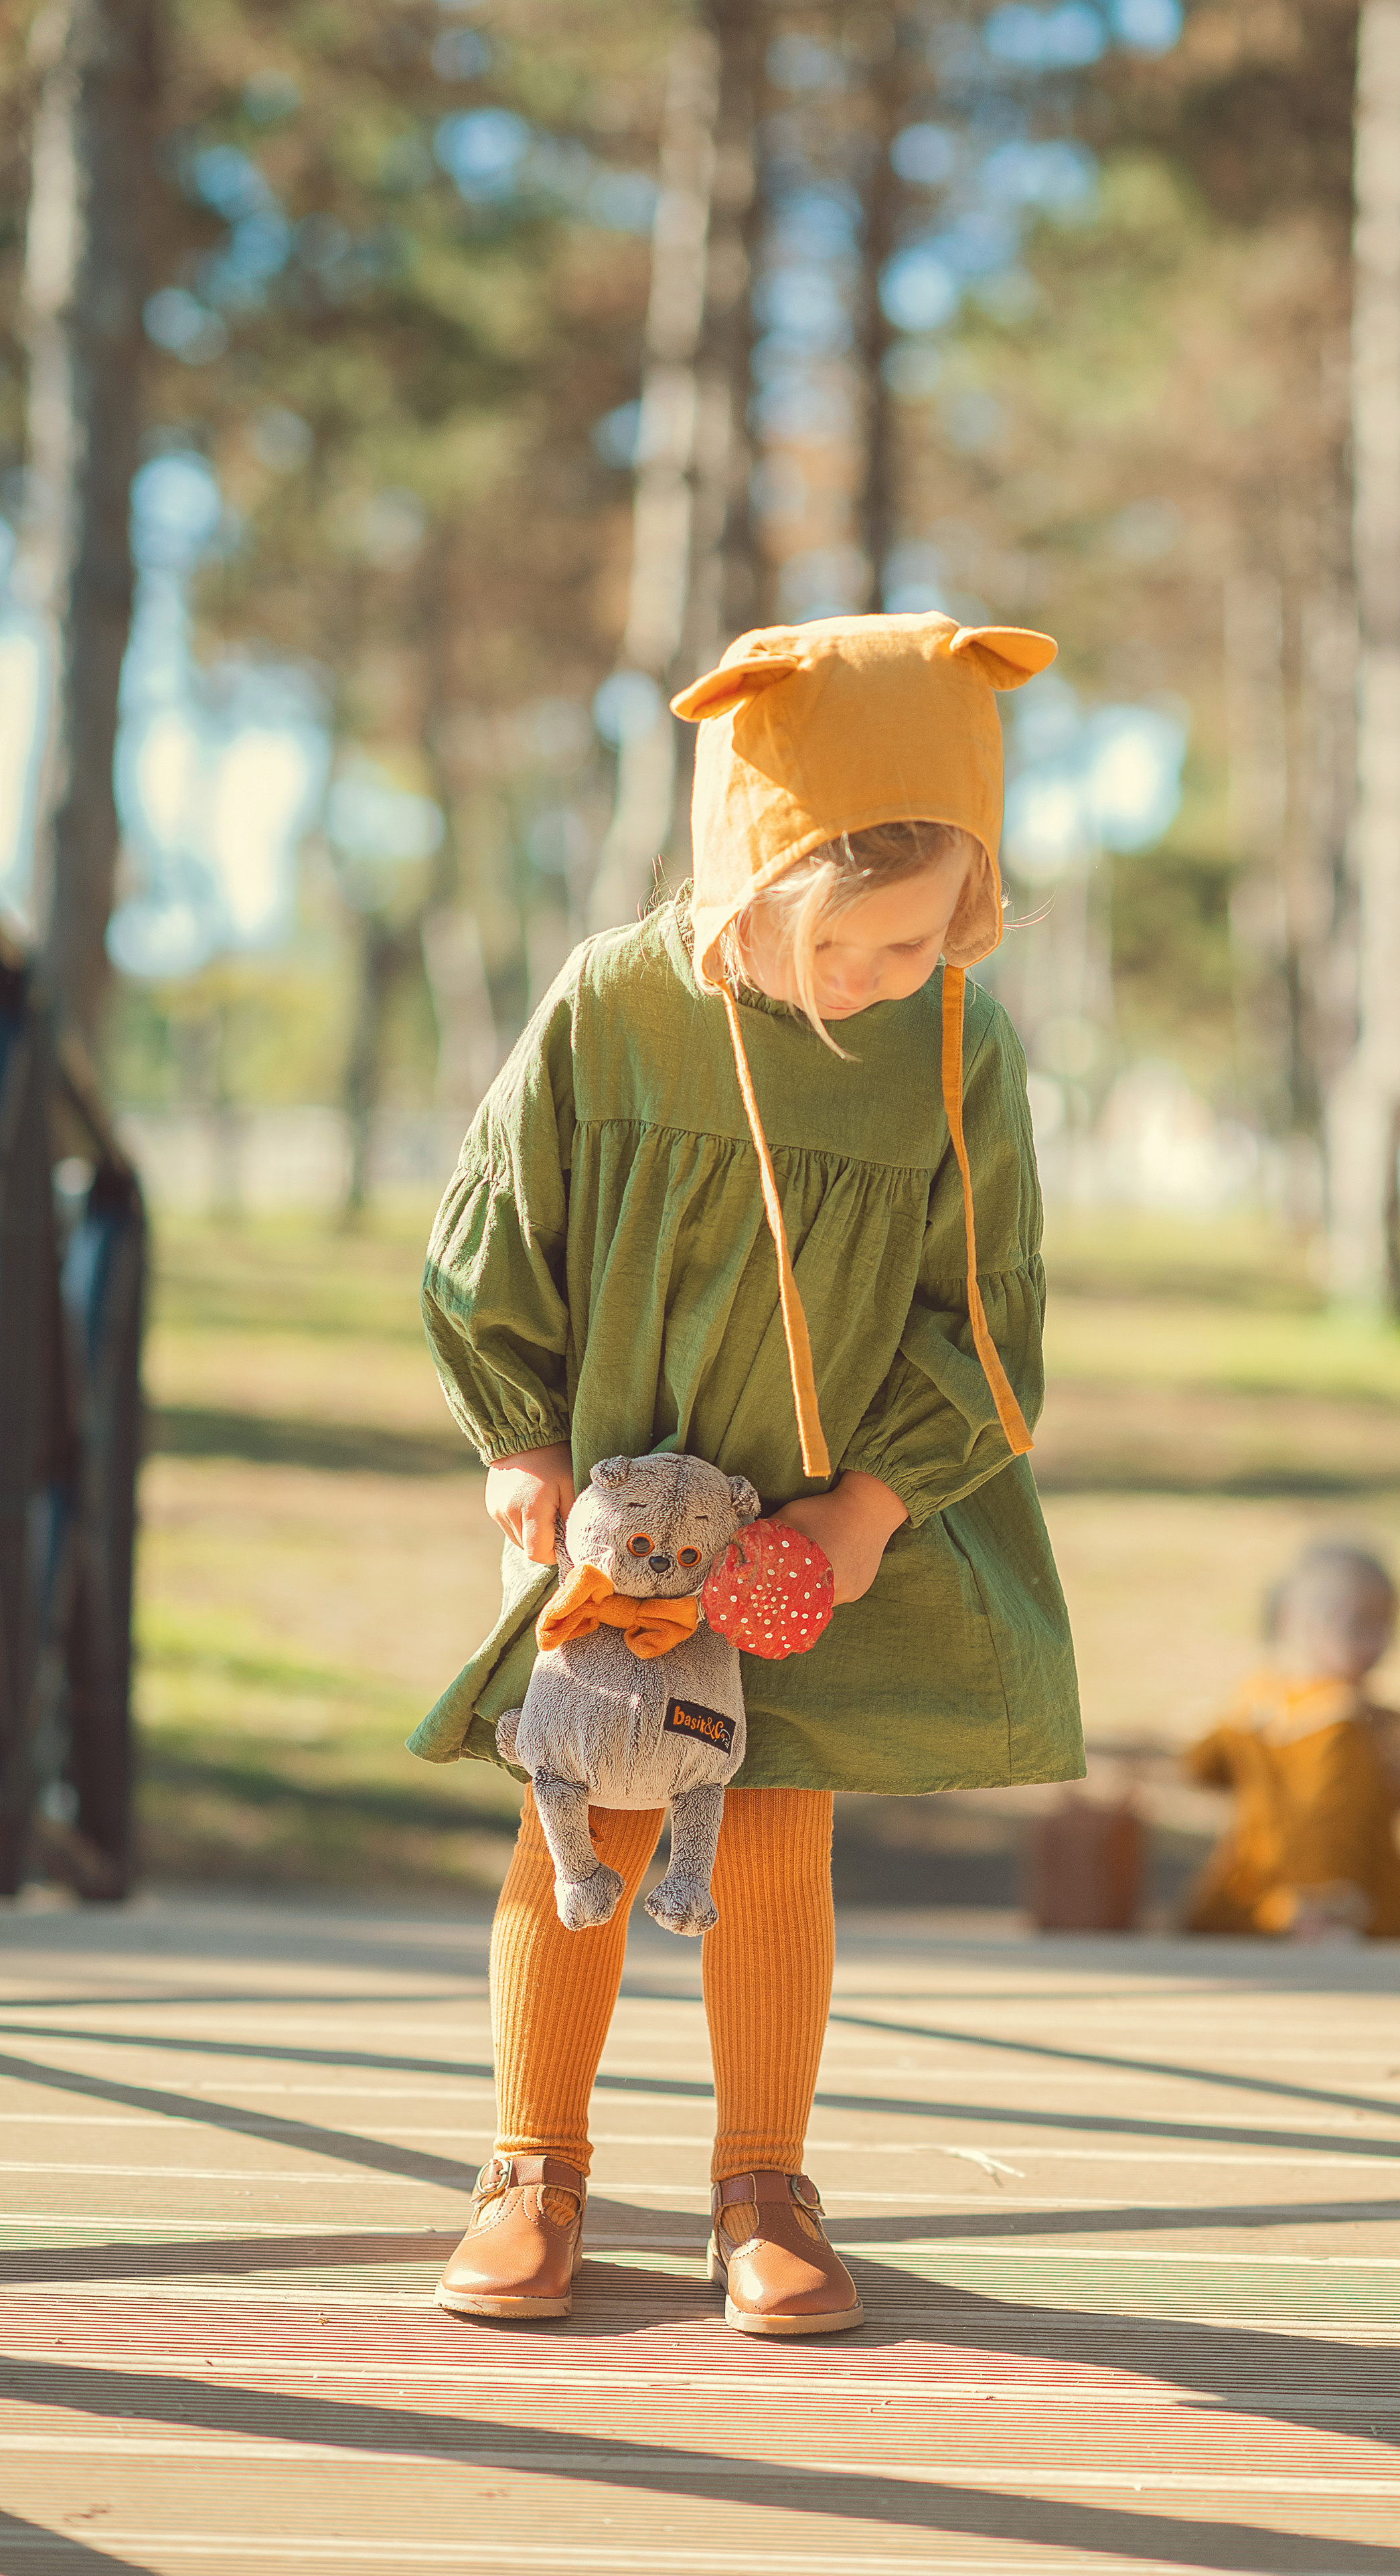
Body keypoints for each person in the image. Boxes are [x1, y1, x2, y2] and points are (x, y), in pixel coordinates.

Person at [412, 611, 1084, 2336]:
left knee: (772, 1819)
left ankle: (760, 2179)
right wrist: (520, 1440)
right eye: (840, 939)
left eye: (914, 938)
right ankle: (529, 2162)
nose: (874, 973)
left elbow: (983, 1309)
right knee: (580, 1815)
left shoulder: (955, 1046)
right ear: (744, 863)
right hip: (615, 1522)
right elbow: (500, 1232)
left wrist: (864, 1508)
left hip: (807, 1530)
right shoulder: (614, 1007)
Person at [1180, 1540, 1400, 1941]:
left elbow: (1201, 1768)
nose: (1378, 1644)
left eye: (1387, 1626)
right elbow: (1329, 1818)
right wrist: (1325, 1901)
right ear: (1293, 1622)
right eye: (1359, 1626)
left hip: (1253, 1894)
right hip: (1334, 1901)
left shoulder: (1258, 1698)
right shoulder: (1340, 1724)